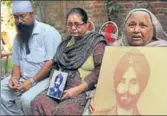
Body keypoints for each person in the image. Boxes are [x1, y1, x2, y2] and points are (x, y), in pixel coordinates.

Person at [88, 8, 167, 115]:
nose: (136, 30)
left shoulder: (162, 51)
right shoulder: (115, 49)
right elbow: (105, 81)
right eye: (132, 25)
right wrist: (97, 98)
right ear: (125, 28)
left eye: (143, 26)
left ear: (152, 29)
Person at [30, 7, 107, 115]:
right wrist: (55, 85)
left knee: (62, 111)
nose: (73, 28)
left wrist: (77, 90)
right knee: (37, 103)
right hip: (59, 88)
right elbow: (56, 64)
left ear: (86, 24)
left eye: (77, 24)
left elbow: (101, 69)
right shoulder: (66, 42)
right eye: (69, 24)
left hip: (82, 91)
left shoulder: (96, 43)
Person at [1, 1, 62, 115]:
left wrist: (32, 81)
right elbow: (17, 64)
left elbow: (49, 63)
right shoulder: (18, 38)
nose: (19, 21)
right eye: (16, 17)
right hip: (24, 79)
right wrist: (14, 78)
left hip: (45, 79)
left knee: (27, 100)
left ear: (32, 14)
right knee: (1, 90)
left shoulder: (48, 33)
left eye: (22, 16)